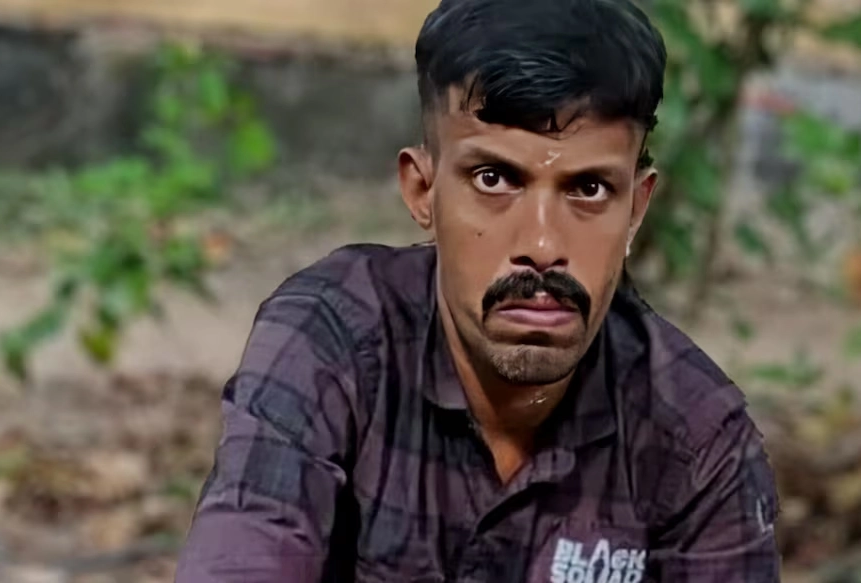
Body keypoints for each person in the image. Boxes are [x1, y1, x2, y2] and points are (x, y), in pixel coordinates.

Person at [174, 0, 781, 581]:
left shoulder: (694, 436)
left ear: (636, 209)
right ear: (423, 191)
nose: (542, 246)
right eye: (494, 179)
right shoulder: (333, 344)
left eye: (590, 189)